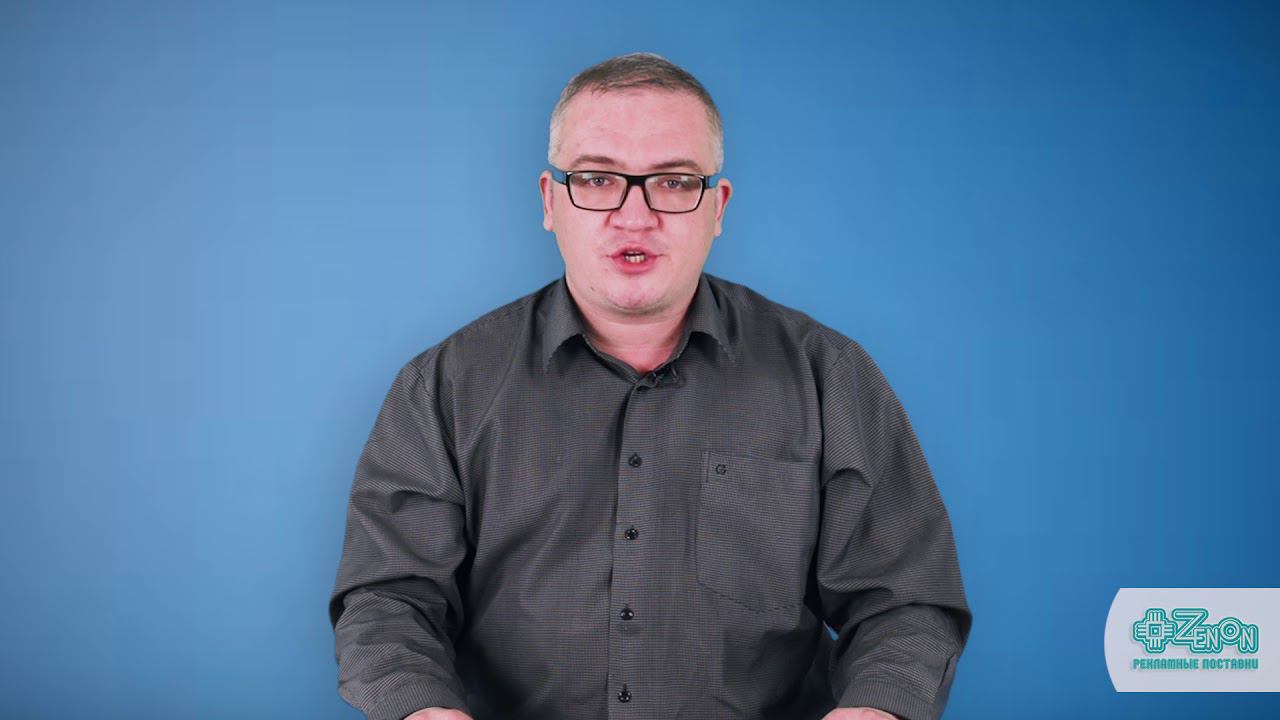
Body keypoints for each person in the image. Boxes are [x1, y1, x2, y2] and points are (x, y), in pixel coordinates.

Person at [329, 52, 972, 720]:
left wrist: (875, 710)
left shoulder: (826, 375)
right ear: (550, 200)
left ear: (716, 206)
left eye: (672, 181)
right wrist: (424, 712)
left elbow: (906, 603)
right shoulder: (444, 385)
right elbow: (389, 602)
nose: (634, 217)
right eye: (597, 178)